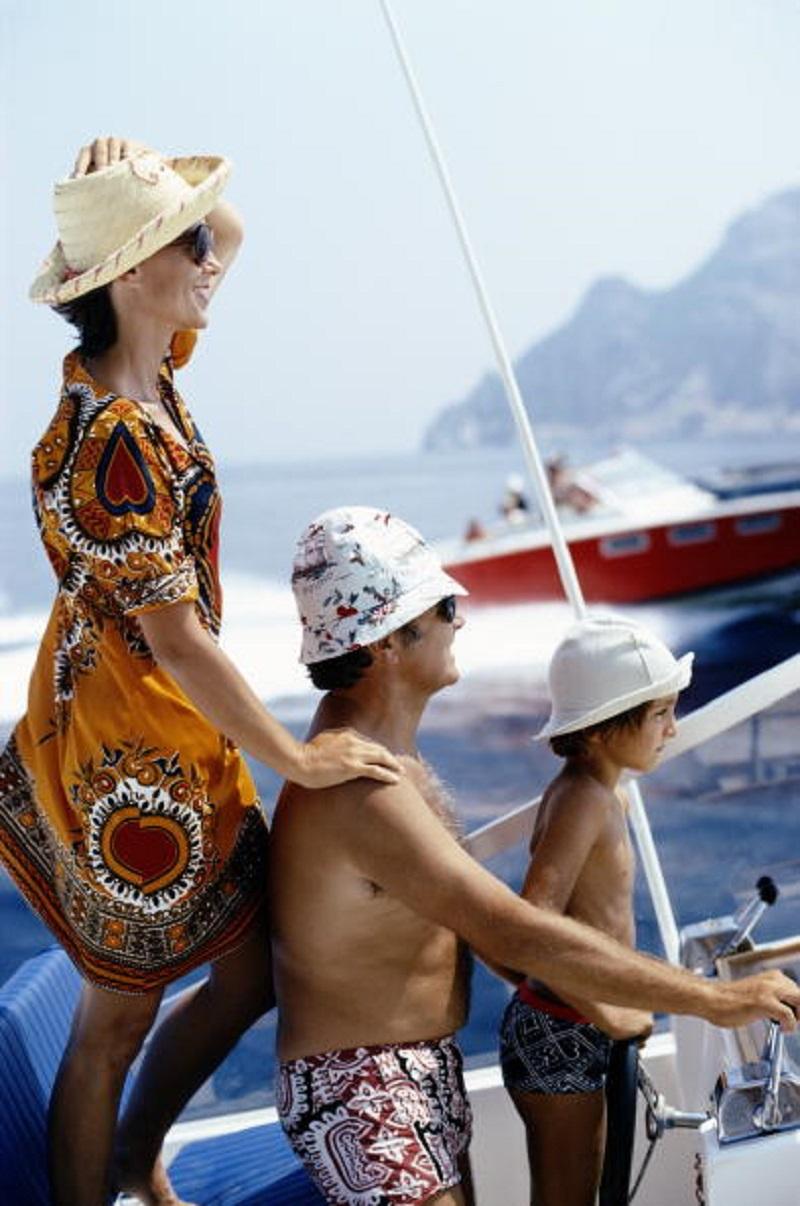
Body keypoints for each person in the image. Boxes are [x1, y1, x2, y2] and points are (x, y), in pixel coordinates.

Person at [0, 137, 399, 1206]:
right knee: (115, 1015)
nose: (209, 263)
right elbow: (177, 639)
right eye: (181, 245)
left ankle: (133, 1156)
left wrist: (155, 177)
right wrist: (296, 763)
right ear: (131, 270)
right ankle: (110, 1173)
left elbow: (231, 230)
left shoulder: (149, 365)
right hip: (130, 756)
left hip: (166, 726)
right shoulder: (113, 438)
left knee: (243, 966)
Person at [269, 506, 800, 1206]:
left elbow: (470, 920)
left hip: (412, 1069)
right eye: (446, 606)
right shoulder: (365, 790)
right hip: (366, 1087)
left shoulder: (384, 756)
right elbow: (514, 926)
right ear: (390, 640)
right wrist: (715, 999)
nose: (461, 620)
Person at [498, 617, 691, 1206]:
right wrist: (604, 1009)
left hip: (572, 1019)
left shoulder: (598, 791)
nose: (674, 730)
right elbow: (534, 921)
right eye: (660, 714)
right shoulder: (583, 798)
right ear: (605, 729)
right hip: (564, 1024)